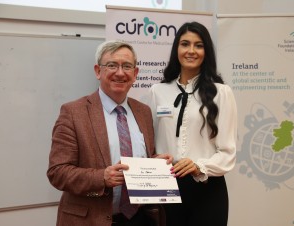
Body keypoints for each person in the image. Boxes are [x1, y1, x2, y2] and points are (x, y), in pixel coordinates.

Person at [47, 40, 172, 226]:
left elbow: (138, 159)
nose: (120, 73)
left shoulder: (143, 112)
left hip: (139, 218)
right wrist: (102, 177)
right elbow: (57, 172)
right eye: (112, 65)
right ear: (98, 71)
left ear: (135, 73)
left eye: (127, 66)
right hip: (91, 220)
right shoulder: (73, 113)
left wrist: (155, 163)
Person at [145, 22, 238, 226]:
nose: (191, 51)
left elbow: (227, 152)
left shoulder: (221, 93)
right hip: (165, 187)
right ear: (176, 49)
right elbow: (147, 141)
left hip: (207, 189)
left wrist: (198, 166)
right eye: (185, 44)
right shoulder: (157, 91)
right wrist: (153, 157)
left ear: (207, 52)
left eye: (199, 45)